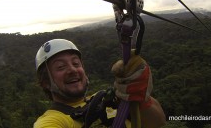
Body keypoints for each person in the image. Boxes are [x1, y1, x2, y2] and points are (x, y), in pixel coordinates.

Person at [34, 39, 166, 128]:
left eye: (76, 63)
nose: (73, 70)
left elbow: (158, 122)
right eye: (61, 67)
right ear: (46, 82)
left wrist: (138, 97)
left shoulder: (107, 97)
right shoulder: (52, 121)